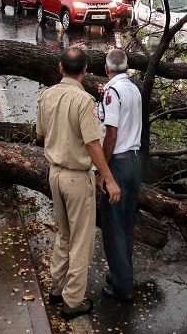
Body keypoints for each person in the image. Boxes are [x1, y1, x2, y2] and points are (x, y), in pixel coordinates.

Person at [35, 46, 121, 321]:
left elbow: (40, 136)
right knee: (81, 240)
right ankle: (73, 301)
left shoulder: (46, 95)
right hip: (76, 176)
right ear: (85, 71)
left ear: (60, 68)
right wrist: (108, 178)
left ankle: (56, 288)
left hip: (55, 173)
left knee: (64, 233)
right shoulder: (84, 102)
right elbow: (93, 144)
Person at [96, 48, 143, 302]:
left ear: (106, 69)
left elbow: (111, 134)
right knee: (126, 224)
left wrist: (102, 170)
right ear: (125, 67)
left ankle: (122, 287)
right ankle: (123, 274)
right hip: (134, 162)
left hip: (118, 164)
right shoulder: (133, 89)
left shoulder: (112, 93)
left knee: (113, 227)